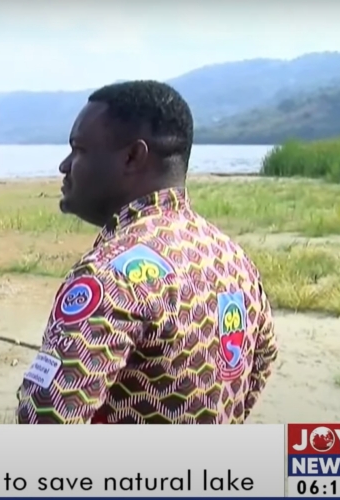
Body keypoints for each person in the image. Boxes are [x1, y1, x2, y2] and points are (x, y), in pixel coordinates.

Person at [16, 80, 278, 424]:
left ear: (132, 157)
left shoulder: (110, 276)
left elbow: (46, 414)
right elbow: (261, 361)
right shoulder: (231, 258)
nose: (64, 166)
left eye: (79, 149)